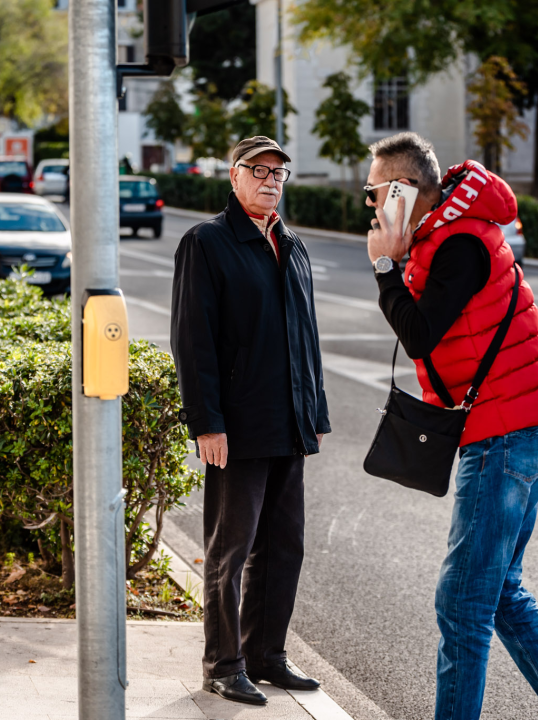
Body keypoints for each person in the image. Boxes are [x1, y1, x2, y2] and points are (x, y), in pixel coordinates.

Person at [363, 132, 538, 720]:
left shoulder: (458, 242)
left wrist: (386, 267)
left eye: (374, 193)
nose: (369, 205)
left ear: (402, 190)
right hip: (520, 424)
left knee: (463, 604)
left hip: (505, 434)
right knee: (503, 596)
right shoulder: (447, 231)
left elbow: (419, 333)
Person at [170, 136, 330, 706]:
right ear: (233, 177)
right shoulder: (207, 243)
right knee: (230, 549)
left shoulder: (293, 245)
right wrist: (207, 423)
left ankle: (266, 654)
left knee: (285, 546)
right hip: (237, 427)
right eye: (258, 170)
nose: (270, 180)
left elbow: (305, 339)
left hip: (289, 422)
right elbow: (194, 342)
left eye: (279, 173)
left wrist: (313, 413)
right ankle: (222, 662)